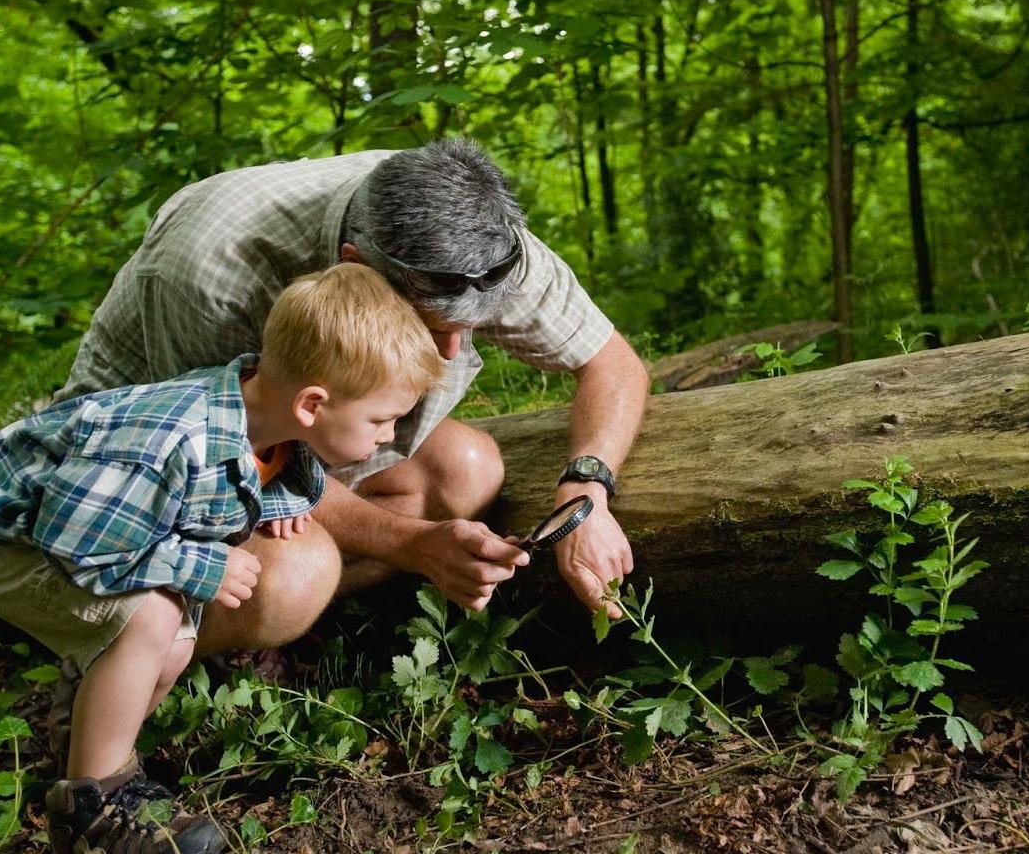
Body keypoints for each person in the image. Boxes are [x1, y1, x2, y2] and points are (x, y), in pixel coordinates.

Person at [0, 264, 451, 854]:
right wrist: (200, 565)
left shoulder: (277, 431)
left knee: (177, 642)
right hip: (7, 544)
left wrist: (280, 504)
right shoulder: (171, 436)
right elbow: (74, 538)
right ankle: (90, 816)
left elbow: (274, 480)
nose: (391, 436)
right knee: (152, 616)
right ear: (313, 403)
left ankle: (97, 758)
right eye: (381, 420)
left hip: (90, 535)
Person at [58, 138, 649, 630]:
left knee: (466, 467)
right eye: (430, 326)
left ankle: (298, 626)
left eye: (469, 330)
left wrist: (585, 492)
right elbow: (225, 458)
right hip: (142, 479)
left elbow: (612, 365)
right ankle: (121, 652)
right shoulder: (219, 271)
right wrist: (412, 543)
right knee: (292, 576)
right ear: (354, 265)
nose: (450, 352)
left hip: (297, 442)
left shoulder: (478, 234)